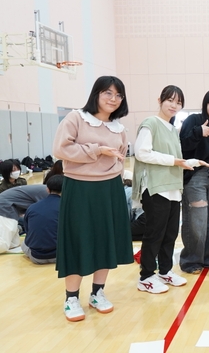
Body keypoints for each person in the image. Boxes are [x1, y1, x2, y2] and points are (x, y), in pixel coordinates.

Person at [53, 75, 132, 322]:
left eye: (118, 95)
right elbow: (60, 149)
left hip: (110, 188)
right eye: (108, 93)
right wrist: (97, 150)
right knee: (78, 240)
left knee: (106, 239)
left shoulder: (119, 128)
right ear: (96, 93)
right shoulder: (76, 118)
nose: (113, 99)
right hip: (80, 187)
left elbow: (121, 158)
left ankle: (97, 293)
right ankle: (71, 298)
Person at [133, 85, 199, 294]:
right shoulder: (150, 123)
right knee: (155, 233)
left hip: (172, 187)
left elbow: (176, 159)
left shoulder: (172, 128)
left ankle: (164, 271)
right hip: (155, 187)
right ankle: (146, 276)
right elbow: (142, 153)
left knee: (170, 233)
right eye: (170, 100)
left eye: (178, 102)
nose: (174, 105)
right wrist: (173, 161)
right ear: (159, 100)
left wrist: (189, 162)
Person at [179, 90, 209, 274]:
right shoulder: (194, 120)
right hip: (195, 175)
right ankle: (191, 261)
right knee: (196, 221)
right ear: (205, 105)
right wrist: (199, 132)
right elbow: (182, 145)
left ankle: (208, 257)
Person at [21, 175, 63, 264]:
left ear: (47, 189)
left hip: (36, 257)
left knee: (23, 244)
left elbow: (28, 231)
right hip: (60, 256)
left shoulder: (32, 207)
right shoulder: (67, 207)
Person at [122, 170, 146, 242]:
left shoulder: (125, 192)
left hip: (143, 220)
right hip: (148, 219)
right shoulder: (131, 190)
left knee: (119, 234)